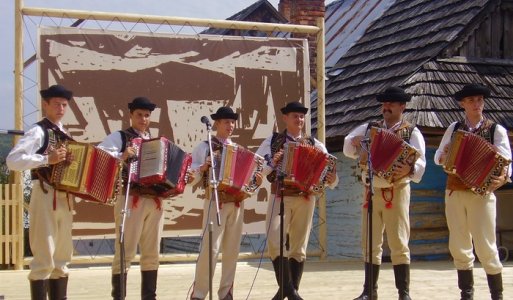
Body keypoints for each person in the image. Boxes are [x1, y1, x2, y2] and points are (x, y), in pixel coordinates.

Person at [99, 96, 191, 300]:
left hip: (155, 201)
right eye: (139, 115)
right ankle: (119, 297)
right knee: (126, 251)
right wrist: (121, 156)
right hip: (131, 198)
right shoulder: (120, 137)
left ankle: (149, 297)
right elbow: (100, 155)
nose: (143, 119)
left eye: (147, 115)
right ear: (131, 115)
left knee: (152, 253)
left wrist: (183, 176)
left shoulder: (155, 143)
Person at [343, 87, 426, 300]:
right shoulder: (370, 128)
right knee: (370, 241)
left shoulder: (412, 132)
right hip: (371, 191)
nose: (386, 107)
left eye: (391, 103)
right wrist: (355, 143)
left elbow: (420, 162)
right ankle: (369, 291)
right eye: (384, 103)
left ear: (402, 106)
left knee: (398, 241)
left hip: (397, 191)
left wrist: (410, 169)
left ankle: (403, 293)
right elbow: (347, 146)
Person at [434, 83, 511, 300]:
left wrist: (503, 177)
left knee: (486, 245)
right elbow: (438, 156)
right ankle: (466, 295)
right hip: (455, 191)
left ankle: (497, 296)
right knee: (459, 244)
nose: (476, 104)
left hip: (482, 193)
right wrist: (445, 154)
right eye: (471, 100)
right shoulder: (454, 128)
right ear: (462, 104)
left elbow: (507, 161)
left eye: (479, 100)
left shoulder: (496, 130)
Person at [256, 101, 338, 300]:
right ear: (285, 118)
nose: (299, 120)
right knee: (275, 242)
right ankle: (291, 293)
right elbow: (258, 168)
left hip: (305, 198)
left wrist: (331, 179)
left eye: (302, 117)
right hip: (280, 195)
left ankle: (287, 292)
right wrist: (273, 161)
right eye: (295, 116)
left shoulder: (315, 144)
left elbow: (330, 175)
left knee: (298, 247)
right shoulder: (273, 141)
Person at [7, 85, 75, 300]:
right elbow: (13, 161)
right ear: (45, 105)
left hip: (65, 197)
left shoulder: (64, 133)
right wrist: (47, 159)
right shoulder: (38, 131)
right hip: (45, 194)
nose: (61, 108)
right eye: (56, 104)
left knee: (62, 257)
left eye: (64, 105)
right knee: (44, 255)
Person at [189, 106, 262, 300]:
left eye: (232, 122)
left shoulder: (238, 149)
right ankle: (199, 293)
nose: (230, 125)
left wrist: (256, 182)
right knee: (210, 249)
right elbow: (192, 176)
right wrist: (203, 167)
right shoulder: (206, 147)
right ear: (217, 123)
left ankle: (226, 292)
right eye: (226, 122)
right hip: (215, 201)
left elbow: (249, 181)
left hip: (237, 203)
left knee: (232, 249)